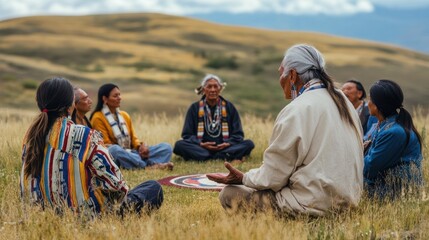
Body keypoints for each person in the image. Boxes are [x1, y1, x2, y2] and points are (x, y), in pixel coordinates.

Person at [208, 44, 364, 216]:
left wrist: (244, 178)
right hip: (349, 201)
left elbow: (274, 177)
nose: (280, 79)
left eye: (281, 73)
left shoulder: (298, 108)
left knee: (229, 194)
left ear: (292, 75)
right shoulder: (343, 101)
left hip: (312, 204)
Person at [20, 77, 164, 218]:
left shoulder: (30, 137)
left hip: (42, 214)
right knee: (153, 188)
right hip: (85, 215)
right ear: (71, 105)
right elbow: (116, 187)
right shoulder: (85, 135)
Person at [90, 83, 173, 170]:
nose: (119, 98)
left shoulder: (124, 115)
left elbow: (133, 138)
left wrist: (141, 147)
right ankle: (148, 166)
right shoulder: (97, 117)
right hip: (117, 155)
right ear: (105, 99)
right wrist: (128, 153)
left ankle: (140, 163)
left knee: (166, 147)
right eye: (115, 96)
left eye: (119, 95)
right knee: (114, 150)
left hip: (133, 153)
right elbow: (106, 145)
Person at [173, 74, 254, 162]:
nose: (213, 90)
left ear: (220, 89)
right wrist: (201, 144)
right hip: (201, 148)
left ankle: (206, 157)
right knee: (179, 145)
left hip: (224, 148)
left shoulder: (229, 107)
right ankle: (223, 157)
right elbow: (187, 135)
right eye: (209, 87)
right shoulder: (194, 108)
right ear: (204, 89)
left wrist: (227, 144)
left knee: (249, 144)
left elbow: (238, 135)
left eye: (215, 86)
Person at [363, 79, 423, 200]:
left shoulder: (393, 132)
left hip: (394, 193)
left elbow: (369, 169)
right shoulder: (384, 124)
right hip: (386, 187)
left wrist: (358, 155)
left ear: (378, 105)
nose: (367, 103)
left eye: (370, 99)